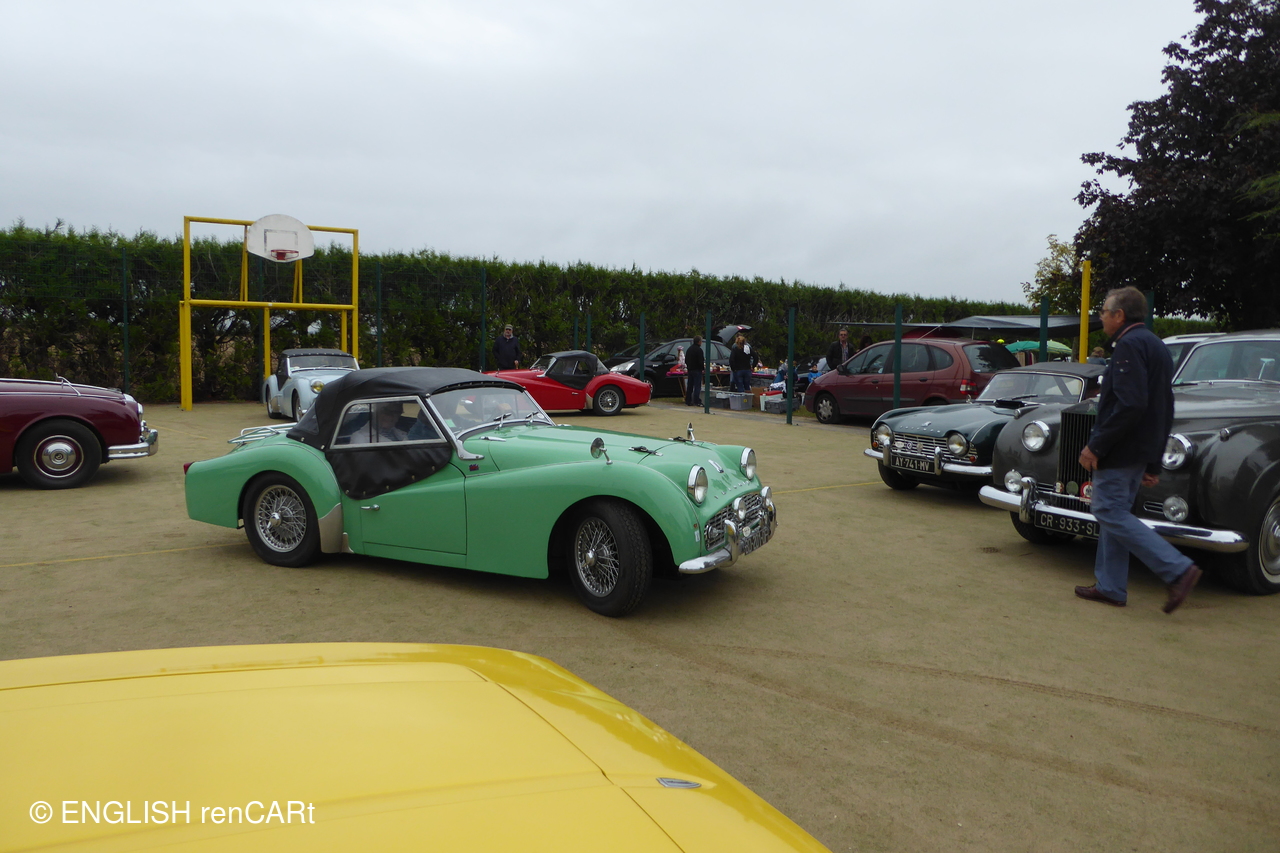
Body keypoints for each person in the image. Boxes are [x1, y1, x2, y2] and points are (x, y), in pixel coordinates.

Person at [1075, 286, 1201, 613]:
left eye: (1104, 311)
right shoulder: (1156, 346)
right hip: (1139, 449)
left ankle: (1178, 569)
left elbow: (1131, 404)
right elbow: (1164, 407)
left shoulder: (1129, 345)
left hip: (1121, 449)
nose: (1101, 316)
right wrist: (1153, 461)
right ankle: (1110, 586)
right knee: (1116, 514)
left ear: (1119, 315)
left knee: (1108, 511)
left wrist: (1096, 445)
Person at [685, 335, 706, 406]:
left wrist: (688, 366)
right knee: (697, 386)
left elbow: (686, 360)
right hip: (697, 370)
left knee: (690, 386)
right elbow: (700, 361)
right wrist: (702, 368)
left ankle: (688, 400)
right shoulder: (699, 350)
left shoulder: (689, 349)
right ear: (699, 342)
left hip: (690, 369)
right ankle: (696, 401)